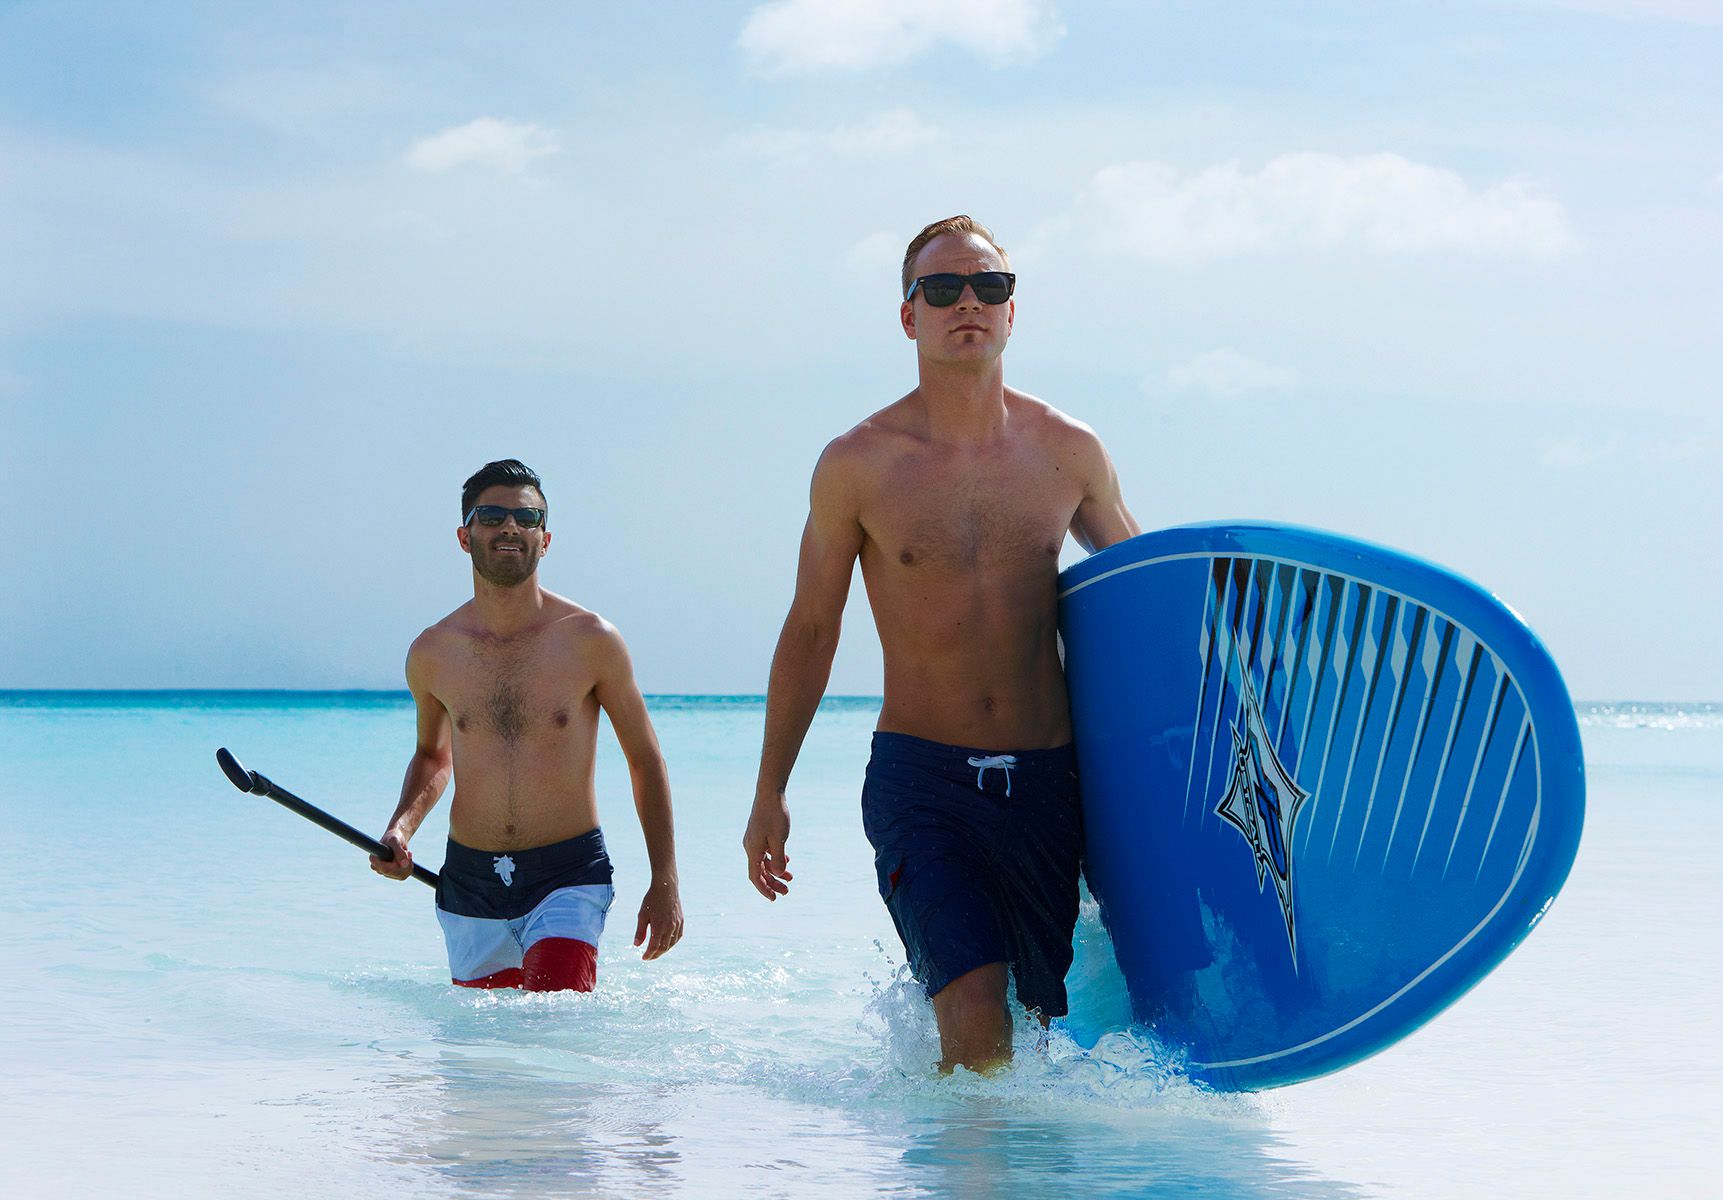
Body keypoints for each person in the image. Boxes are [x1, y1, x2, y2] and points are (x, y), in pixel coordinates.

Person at [742, 216, 1140, 1071]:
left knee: (1029, 1031)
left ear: (1011, 313)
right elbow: (812, 628)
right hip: (922, 778)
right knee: (972, 1019)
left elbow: (1141, 594)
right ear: (907, 316)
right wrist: (769, 789)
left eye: (988, 286)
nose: (968, 302)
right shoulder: (859, 462)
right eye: (942, 288)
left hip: (1046, 781)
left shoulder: (1068, 451)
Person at [371, 458, 683, 991]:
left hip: (568, 875)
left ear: (546, 538)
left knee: (553, 1026)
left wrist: (665, 880)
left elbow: (644, 759)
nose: (510, 527)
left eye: (526, 518)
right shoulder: (432, 652)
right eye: (491, 516)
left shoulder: (592, 641)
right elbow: (433, 756)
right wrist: (401, 829)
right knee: (486, 1057)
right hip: (468, 880)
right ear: (465, 536)